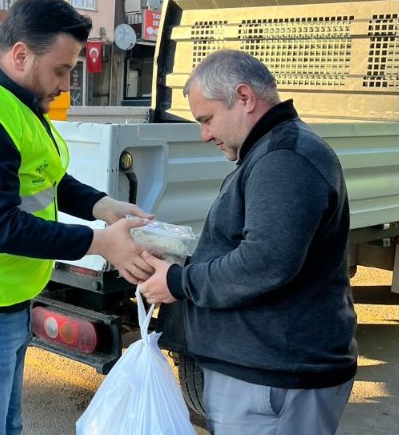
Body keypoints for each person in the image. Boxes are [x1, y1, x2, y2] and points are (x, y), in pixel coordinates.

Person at [0, 0, 153, 435]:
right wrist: (100, 242)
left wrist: (103, 206)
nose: (66, 83)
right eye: (61, 70)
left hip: (2, 299)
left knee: (6, 426)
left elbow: (46, 176)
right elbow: (0, 227)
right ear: (22, 55)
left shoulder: (15, 100)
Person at [139, 50, 358, 435]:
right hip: (268, 375)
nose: (204, 134)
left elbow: (265, 262)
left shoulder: (285, 159)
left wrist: (178, 282)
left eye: (206, 120)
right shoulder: (273, 152)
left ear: (244, 97)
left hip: (275, 380)